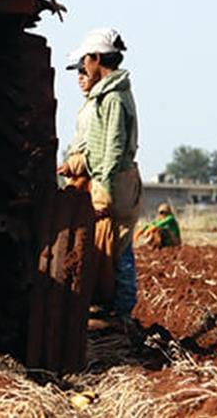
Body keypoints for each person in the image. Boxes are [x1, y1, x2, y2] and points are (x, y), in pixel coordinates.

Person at [57, 28, 141, 330]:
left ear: (95, 58)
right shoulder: (105, 95)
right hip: (107, 179)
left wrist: (102, 190)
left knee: (117, 246)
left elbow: (112, 149)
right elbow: (95, 146)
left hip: (115, 182)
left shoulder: (114, 98)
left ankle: (122, 313)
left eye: (85, 61)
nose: (83, 68)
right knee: (105, 245)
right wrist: (77, 163)